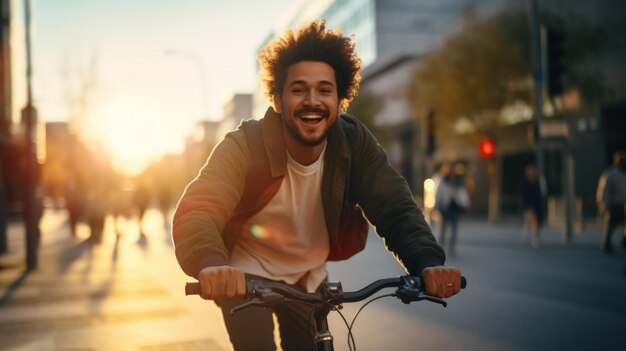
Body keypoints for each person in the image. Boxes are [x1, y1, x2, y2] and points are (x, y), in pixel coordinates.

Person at [172, 19, 461, 351]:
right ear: (278, 101)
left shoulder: (353, 144)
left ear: (340, 101)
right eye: (299, 90)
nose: (312, 101)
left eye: (325, 90)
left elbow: (395, 207)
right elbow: (200, 208)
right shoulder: (245, 144)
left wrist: (427, 262)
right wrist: (212, 263)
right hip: (244, 277)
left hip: (307, 279)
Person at [434, 164, 469, 256]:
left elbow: (463, 194)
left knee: (454, 227)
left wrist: (464, 204)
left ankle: (452, 246)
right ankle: (441, 246)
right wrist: (437, 205)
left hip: (455, 208)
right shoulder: (443, 182)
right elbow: (438, 194)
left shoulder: (459, 183)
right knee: (443, 227)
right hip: (445, 207)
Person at [596, 151, 626, 254]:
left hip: (623, 204)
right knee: (610, 226)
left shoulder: (623, 174)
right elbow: (604, 191)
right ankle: (606, 244)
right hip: (613, 204)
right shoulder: (610, 174)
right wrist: (604, 205)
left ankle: (623, 241)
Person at [521, 164, 545, 248]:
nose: (533, 173)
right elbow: (524, 195)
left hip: (537, 205)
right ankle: (534, 238)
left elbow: (542, 193)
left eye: (534, 171)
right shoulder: (525, 183)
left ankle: (531, 236)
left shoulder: (539, 182)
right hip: (528, 206)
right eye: (531, 172)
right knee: (533, 220)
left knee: (534, 222)